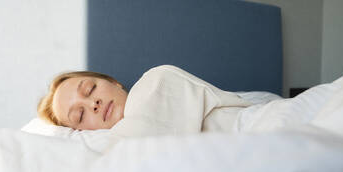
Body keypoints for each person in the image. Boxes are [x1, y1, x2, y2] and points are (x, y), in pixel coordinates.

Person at [38, 65, 251, 135]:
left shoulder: (157, 80)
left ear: (114, 82)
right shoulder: (115, 152)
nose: (93, 104)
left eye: (90, 89)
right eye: (80, 115)